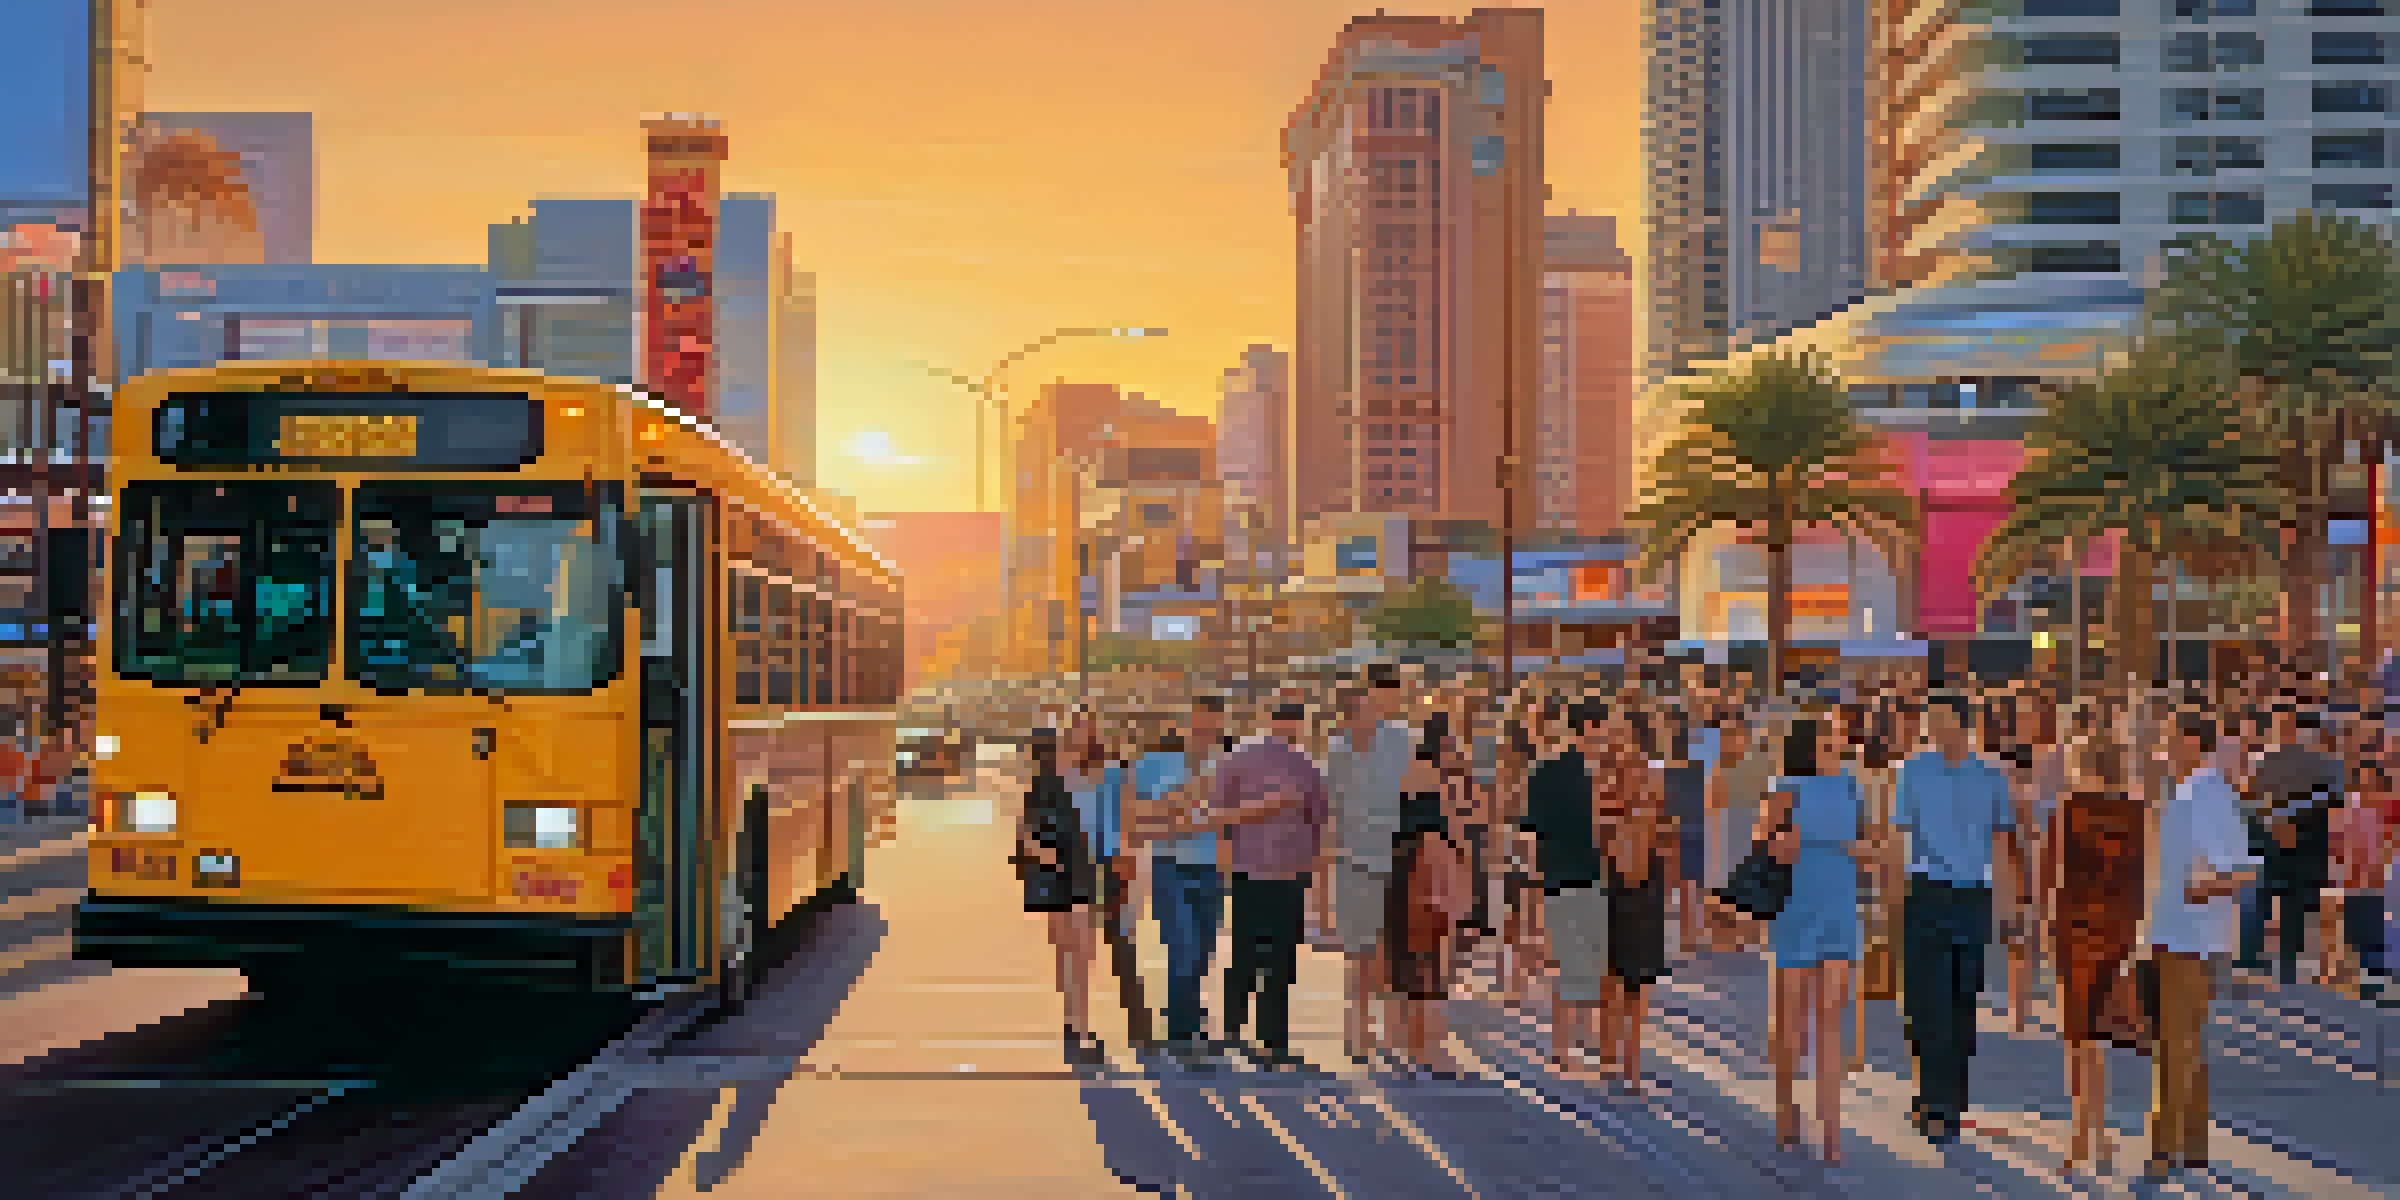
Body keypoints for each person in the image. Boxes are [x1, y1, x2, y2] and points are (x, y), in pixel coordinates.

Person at [1891, 691, 2019, 1145]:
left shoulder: (1990, 774)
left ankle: (1946, 1104)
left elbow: (2003, 843)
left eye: (1942, 720)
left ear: (1964, 724)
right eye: (1932, 720)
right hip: (1927, 892)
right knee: (1927, 1005)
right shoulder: (1914, 768)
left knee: (1959, 1004)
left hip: (1969, 896)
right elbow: (1899, 839)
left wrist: (2007, 910)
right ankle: (1933, 1102)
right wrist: (1892, 900)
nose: (1935, 728)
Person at [2146, 713, 2261, 1178]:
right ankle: (2191, 1145)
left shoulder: (2202, 793)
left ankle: (2165, 1149)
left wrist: (2198, 891)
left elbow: (2239, 871)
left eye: (2171, 735)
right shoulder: (2202, 790)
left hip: (2185, 936)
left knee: (2174, 1046)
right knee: (2187, 1043)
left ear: (2193, 742)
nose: (2164, 744)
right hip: (2189, 935)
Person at [1186, 701, 1329, 1069]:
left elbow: (1217, 813)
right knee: (1279, 958)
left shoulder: (1238, 758)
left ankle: (1234, 1032)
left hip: (1249, 871)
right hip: (1286, 873)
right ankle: (1272, 1041)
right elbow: (1318, 824)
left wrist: (1224, 863)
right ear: (1298, 724)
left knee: (1246, 952)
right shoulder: (1307, 766)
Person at [1764, 714, 1871, 1162]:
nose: (1835, 742)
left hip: (1841, 910)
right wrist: (1790, 840)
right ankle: (1786, 1102)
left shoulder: (1853, 785)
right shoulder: (1786, 786)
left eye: (1838, 735)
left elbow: (1870, 847)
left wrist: (1856, 850)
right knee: (1792, 1023)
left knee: (1831, 1019)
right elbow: (1767, 844)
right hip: (1795, 908)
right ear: (1809, 744)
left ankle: (1831, 1129)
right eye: (1826, 736)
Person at [2045, 702, 2144, 1175]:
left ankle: (2085, 1136)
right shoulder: (2137, 814)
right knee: (2097, 1041)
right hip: (2117, 934)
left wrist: (2049, 932)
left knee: (2077, 1042)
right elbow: (2140, 883)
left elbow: (2055, 879)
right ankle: (2095, 1137)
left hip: (2076, 931)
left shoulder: (2069, 810)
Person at [1133, 696, 1230, 1059]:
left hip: (1210, 869)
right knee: (1184, 948)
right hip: (1169, 866)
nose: (1207, 732)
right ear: (1189, 723)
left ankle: (1189, 1022)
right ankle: (1181, 1035)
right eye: (1201, 725)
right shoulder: (1156, 763)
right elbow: (1141, 810)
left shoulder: (1228, 765)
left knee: (1203, 953)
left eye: (1214, 726)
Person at [1324, 674, 1414, 1062]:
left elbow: (1415, 795)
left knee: (1390, 954)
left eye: (1365, 709)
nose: (1361, 717)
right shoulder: (1337, 752)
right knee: (1358, 953)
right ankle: (1358, 1031)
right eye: (1352, 713)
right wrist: (1322, 884)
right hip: (1353, 863)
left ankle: (1389, 1034)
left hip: (1396, 861)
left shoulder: (1402, 740)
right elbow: (1331, 812)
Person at [1523, 701, 1610, 1079]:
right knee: (1584, 963)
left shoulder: (1545, 771)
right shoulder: (1580, 772)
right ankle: (1576, 1045)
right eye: (1604, 727)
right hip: (1583, 880)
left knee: (1578, 965)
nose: (1607, 735)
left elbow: (1531, 837)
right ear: (1589, 727)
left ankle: (1569, 1047)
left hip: (1571, 880)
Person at [1064, 712, 1154, 1053]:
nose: (1083, 738)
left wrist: (1126, 855)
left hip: (1110, 865)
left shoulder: (1117, 774)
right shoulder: (1062, 777)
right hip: (1074, 867)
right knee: (1079, 952)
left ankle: (1139, 1028)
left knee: (1121, 944)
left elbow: (1129, 819)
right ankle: (1077, 1029)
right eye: (1076, 732)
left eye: (1088, 731)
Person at [1392, 711, 1472, 1074]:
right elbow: (1457, 834)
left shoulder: (1404, 775)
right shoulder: (1445, 783)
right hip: (1435, 875)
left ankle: (1406, 1044)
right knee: (1434, 964)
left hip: (1402, 872)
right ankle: (1428, 1050)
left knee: (1407, 963)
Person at [1015, 730, 1102, 1065]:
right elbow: (1025, 834)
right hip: (1060, 874)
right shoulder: (1044, 787)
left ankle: (1076, 1023)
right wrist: (1044, 854)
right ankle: (1077, 1025)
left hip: (1076, 871)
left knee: (1078, 951)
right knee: (1073, 950)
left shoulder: (1084, 782)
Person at [2241, 706, 2341, 986]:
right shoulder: (2261, 759)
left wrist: (2293, 821)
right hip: (2269, 841)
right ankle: (2249, 957)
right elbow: (2250, 798)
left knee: (2293, 904)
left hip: (2304, 843)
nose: (2283, 728)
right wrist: (2275, 822)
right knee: (2260, 896)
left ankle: (2287, 964)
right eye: (2278, 723)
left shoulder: (2316, 761)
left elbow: (2331, 797)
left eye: (2288, 723)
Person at [1601, 703, 1672, 1097]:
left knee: (1638, 981)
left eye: (1619, 730)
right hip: (1610, 882)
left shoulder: (1652, 775)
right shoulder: (1602, 777)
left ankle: (1632, 1065)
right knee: (1610, 977)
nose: (1613, 738)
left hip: (1644, 883)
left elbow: (1658, 826)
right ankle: (1610, 1059)